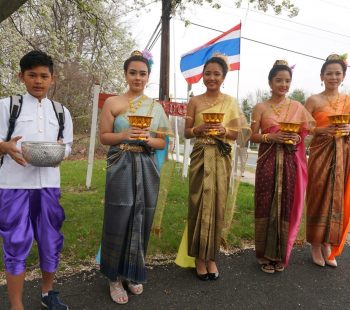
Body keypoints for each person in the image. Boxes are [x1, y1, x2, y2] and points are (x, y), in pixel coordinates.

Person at [0, 50, 73, 310]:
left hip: (49, 185)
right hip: (14, 185)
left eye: (44, 76)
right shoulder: (7, 106)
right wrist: (4, 147)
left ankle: (47, 293)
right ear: (22, 76)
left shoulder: (61, 112)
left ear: (52, 78)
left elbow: (68, 146)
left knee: (51, 239)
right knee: (17, 241)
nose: (38, 81)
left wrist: (60, 150)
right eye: (32, 75)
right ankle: (16, 304)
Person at [98, 50, 171, 304]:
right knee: (119, 215)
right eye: (133, 73)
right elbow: (104, 137)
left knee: (142, 215)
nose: (137, 78)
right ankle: (113, 276)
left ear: (148, 76)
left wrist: (147, 139)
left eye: (142, 73)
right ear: (125, 74)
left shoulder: (155, 106)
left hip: (147, 164)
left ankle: (132, 272)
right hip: (120, 164)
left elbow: (162, 141)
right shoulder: (113, 103)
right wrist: (124, 135)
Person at [182, 55, 247, 281]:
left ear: (223, 77)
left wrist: (224, 132)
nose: (211, 77)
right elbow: (186, 132)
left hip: (221, 156)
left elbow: (242, 134)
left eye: (216, 74)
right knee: (198, 202)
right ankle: (199, 258)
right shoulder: (195, 101)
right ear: (202, 76)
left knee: (218, 204)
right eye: (208, 73)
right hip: (200, 155)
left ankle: (212, 258)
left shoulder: (231, 102)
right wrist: (199, 128)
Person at [251, 60, 313, 274]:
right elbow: (252, 136)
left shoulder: (297, 107)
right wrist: (272, 136)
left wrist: (295, 137)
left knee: (286, 204)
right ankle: (265, 254)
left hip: (290, 163)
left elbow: (305, 134)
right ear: (270, 82)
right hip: (267, 161)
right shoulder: (260, 107)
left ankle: (280, 255)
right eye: (279, 80)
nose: (283, 84)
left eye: (287, 81)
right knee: (266, 203)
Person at [305, 54, 350, 267]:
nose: (333, 77)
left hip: (342, 153)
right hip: (320, 152)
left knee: (336, 197)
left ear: (343, 76)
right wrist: (322, 130)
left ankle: (328, 243)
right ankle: (315, 243)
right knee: (318, 193)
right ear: (322, 76)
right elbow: (302, 127)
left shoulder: (348, 100)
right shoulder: (314, 100)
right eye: (329, 73)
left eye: (337, 73)